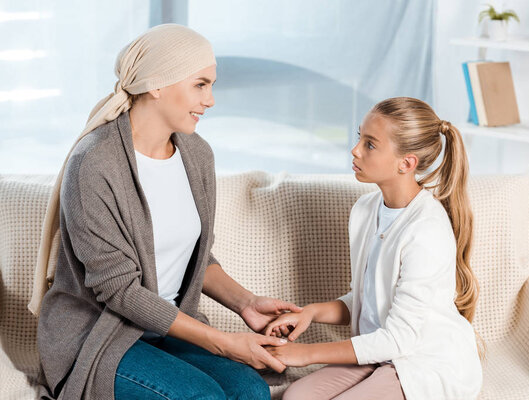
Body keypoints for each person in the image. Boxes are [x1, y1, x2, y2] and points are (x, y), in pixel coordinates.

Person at [31, 24, 300, 400]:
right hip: (102, 335)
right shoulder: (95, 162)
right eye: (200, 84)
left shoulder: (197, 154)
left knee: (251, 391)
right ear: (157, 84)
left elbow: (196, 255)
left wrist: (247, 304)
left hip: (169, 329)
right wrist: (223, 343)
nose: (211, 100)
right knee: (204, 397)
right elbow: (119, 291)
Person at [264, 97, 484, 400]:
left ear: (406, 163)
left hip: (421, 362)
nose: (355, 150)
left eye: (370, 144)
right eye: (359, 138)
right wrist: (310, 313)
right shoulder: (366, 209)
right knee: (295, 397)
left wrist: (305, 354)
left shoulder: (427, 230)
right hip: (378, 352)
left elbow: (399, 338)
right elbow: (371, 297)